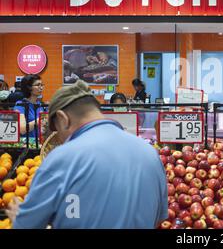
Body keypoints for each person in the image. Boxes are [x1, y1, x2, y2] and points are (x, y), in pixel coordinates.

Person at [6, 80, 168, 229]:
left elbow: (27, 226)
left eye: (57, 130)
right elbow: (159, 219)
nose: (61, 138)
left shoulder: (61, 158)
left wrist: (19, 218)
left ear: (62, 119)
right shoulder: (150, 154)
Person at [14, 75, 45, 140]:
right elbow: (22, 129)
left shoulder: (40, 105)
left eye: (42, 85)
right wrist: (40, 120)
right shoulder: (20, 105)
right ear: (29, 87)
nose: (41, 87)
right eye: (38, 85)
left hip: (40, 143)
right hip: (27, 144)